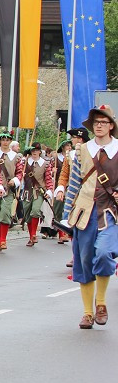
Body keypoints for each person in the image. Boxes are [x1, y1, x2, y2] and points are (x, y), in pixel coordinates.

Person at [61, 105, 118, 330]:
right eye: (96, 122)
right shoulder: (82, 150)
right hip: (84, 211)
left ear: (111, 126)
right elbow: (75, 182)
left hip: (110, 212)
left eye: (104, 122)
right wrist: (66, 216)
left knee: (104, 254)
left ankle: (101, 303)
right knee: (85, 261)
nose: (99, 125)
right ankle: (87, 313)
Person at [0, 131, 22, 251]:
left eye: (7, 140)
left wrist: (15, 180)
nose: (5, 142)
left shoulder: (16, 156)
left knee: (5, 213)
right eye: (3, 140)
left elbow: (20, 172)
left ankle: (3, 240)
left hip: (8, 189)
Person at [21, 142, 54, 246]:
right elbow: (18, 173)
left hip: (39, 191)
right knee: (28, 215)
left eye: (37, 150)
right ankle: (31, 235)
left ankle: (34, 235)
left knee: (35, 211)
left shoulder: (45, 164)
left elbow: (48, 179)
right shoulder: (25, 163)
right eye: (33, 150)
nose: (35, 152)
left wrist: (49, 190)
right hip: (27, 191)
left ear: (40, 151)